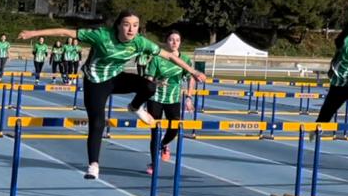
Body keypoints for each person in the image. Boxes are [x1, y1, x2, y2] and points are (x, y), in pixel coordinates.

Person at [17, 10, 206, 180]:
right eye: (127, 25)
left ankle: (134, 107)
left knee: (149, 86)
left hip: (116, 78)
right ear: (118, 26)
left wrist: (193, 71)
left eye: (135, 26)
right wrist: (33, 33)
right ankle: (93, 164)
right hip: (96, 83)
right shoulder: (101, 36)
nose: (131, 30)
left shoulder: (140, 41)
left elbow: (171, 56)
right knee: (98, 122)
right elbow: (65, 32)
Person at [144, 31, 195, 175]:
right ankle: (154, 163)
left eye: (177, 40)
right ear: (166, 42)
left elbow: (190, 77)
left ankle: (164, 144)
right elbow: (148, 79)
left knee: (175, 128)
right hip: (155, 98)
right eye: (171, 39)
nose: (174, 42)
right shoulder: (157, 59)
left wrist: (189, 97)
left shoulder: (185, 59)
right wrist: (156, 82)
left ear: (180, 43)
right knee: (155, 131)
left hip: (173, 99)